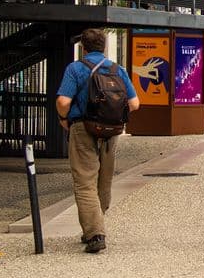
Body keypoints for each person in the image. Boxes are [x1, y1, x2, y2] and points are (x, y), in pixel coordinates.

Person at [54, 28, 140, 253]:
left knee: (84, 181)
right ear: (104, 46)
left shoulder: (75, 68)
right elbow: (134, 104)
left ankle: (95, 234)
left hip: (83, 128)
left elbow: (63, 101)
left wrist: (64, 118)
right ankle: (95, 223)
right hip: (111, 132)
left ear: (83, 47)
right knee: (104, 181)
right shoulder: (117, 69)